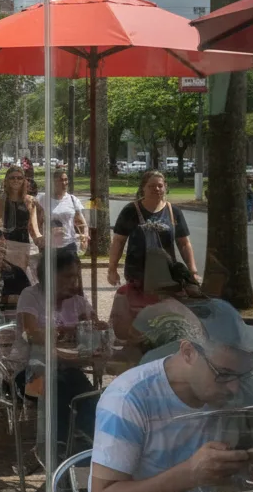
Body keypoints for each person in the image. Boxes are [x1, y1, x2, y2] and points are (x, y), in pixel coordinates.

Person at [81, 313, 253, 492]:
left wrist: (249, 464)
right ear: (188, 352)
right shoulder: (129, 398)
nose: (234, 388)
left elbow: (227, 480)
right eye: (224, 374)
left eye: (242, 376)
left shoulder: (225, 395)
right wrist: (191, 474)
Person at [13, 248, 98, 450]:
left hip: (68, 371)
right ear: (50, 275)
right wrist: (68, 330)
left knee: (90, 398)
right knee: (61, 393)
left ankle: (84, 448)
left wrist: (94, 328)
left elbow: (94, 329)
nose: (74, 282)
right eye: (68, 276)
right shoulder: (31, 295)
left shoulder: (77, 302)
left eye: (76, 276)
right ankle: (59, 451)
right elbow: (31, 333)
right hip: (30, 376)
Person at [108, 171, 200, 343]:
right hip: (138, 276)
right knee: (140, 315)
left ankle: (163, 345)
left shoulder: (174, 212)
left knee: (164, 316)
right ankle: (137, 347)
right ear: (143, 188)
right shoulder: (131, 211)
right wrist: (112, 269)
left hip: (167, 277)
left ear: (165, 187)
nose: (156, 189)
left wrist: (192, 270)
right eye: (151, 186)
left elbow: (184, 243)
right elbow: (119, 242)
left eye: (160, 185)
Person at [42, 168, 89, 254]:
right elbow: (36, 223)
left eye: (65, 180)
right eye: (60, 180)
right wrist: (39, 240)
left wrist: (84, 238)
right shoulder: (43, 200)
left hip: (69, 245)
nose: (64, 183)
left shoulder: (72, 200)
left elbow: (82, 223)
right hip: (49, 247)